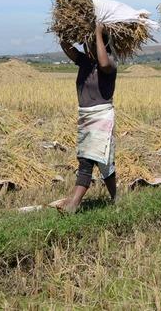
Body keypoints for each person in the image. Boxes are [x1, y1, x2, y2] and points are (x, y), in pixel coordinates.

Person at [55, 22, 118, 213]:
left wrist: (98, 33)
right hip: (85, 117)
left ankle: (73, 204)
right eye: (87, 44)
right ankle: (117, 199)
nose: (86, 47)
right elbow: (67, 47)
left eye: (91, 44)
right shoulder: (84, 62)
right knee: (101, 161)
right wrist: (63, 31)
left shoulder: (111, 63)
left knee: (88, 160)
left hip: (101, 117)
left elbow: (104, 62)